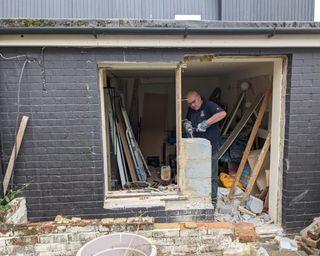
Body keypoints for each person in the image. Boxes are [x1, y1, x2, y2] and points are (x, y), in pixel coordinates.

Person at [185, 90, 226, 208]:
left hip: (211, 147)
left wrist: (206, 123)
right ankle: (198, 197)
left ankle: (212, 201)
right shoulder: (191, 109)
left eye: (194, 102)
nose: (193, 105)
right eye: (190, 104)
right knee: (197, 173)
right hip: (197, 147)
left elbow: (222, 114)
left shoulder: (209, 105)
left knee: (212, 175)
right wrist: (186, 124)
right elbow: (187, 119)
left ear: (199, 98)